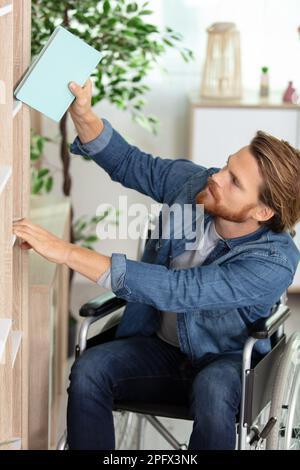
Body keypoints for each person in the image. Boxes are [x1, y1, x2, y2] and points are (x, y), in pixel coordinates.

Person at [13, 79, 300, 450]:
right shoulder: (197, 188)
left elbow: (178, 290)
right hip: (159, 347)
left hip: (224, 359)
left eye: (234, 181)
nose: (216, 177)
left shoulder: (273, 261)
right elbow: (133, 163)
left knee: (213, 391)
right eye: (226, 166)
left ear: (263, 211)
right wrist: (83, 114)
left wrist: (66, 252)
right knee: (90, 370)